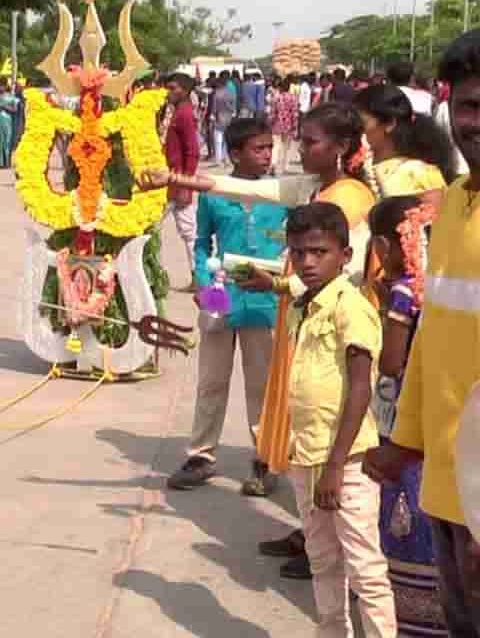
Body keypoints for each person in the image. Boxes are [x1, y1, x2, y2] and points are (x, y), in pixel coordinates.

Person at [141, 102, 381, 582]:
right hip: (294, 317)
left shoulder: (349, 197)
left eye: (310, 141)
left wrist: (278, 281)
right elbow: (242, 187)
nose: (297, 148)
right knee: (298, 427)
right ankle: (309, 532)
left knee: (324, 433)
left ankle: (331, 549)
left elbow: (337, 274)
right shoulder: (314, 186)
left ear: (339, 148)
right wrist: (175, 178)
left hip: (335, 330)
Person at [364, 29, 480, 637]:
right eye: (470, 106)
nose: (478, 122)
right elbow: (434, 339)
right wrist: (403, 439)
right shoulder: (453, 204)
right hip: (447, 482)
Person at [281, 202, 395, 637]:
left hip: (345, 461)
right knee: (322, 559)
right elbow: (287, 286)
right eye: (299, 253)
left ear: (345, 256)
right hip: (305, 455)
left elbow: (360, 387)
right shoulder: (304, 304)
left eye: (319, 252)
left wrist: (334, 465)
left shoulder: (351, 306)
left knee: (364, 566)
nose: (308, 262)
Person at [167, 118, 287, 496]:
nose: (267, 155)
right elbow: (203, 243)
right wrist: (203, 281)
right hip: (222, 292)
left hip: (266, 297)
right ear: (234, 154)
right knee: (212, 379)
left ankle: (266, 458)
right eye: (258, 149)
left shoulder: (281, 191)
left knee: (261, 384)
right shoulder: (214, 193)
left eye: (270, 147)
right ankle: (202, 454)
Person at [362, 195, 448, 634]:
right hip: (440, 412)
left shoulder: (402, 292)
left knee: (401, 510)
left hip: (400, 416)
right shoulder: (438, 283)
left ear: (383, 245)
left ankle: (406, 612)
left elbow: (392, 363)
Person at [353, 84, 454, 209]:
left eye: (361, 123)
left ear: (389, 123)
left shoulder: (421, 175)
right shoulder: (355, 168)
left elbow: (431, 224)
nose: (355, 130)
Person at [161, 73, 201, 288]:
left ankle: (198, 276)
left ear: (185, 91)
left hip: (177, 183)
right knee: (188, 231)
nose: (169, 92)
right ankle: (197, 276)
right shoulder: (177, 112)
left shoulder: (184, 114)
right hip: (172, 180)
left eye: (173, 88)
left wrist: (186, 184)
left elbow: (192, 151)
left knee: (187, 231)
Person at [270, 76, 301, 174]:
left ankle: (273, 164)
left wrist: (270, 123)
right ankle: (285, 167)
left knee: (276, 146)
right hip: (289, 126)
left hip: (277, 125)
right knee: (286, 147)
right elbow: (295, 114)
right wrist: (296, 127)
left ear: (281, 88)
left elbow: (272, 113)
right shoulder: (293, 98)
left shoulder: (276, 98)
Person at [211, 77, 236, 166]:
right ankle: (226, 158)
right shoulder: (230, 93)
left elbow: (215, 106)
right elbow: (233, 105)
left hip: (219, 117)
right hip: (228, 117)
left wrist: (213, 115)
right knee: (226, 139)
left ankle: (218, 160)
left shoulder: (217, 93)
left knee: (218, 140)